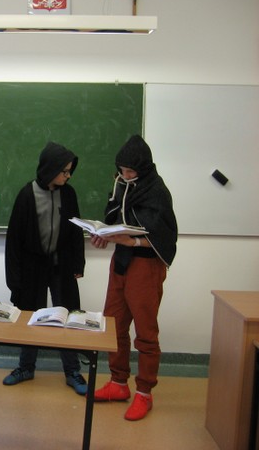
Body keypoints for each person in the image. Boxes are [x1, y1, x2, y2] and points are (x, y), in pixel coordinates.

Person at [90, 135, 177, 421]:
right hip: (121, 262)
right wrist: (104, 235)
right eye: (122, 170)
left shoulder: (157, 191)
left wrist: (134, 241)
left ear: (144, 168)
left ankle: (144, 392)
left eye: (130, 171)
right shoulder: (122, 185)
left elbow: (165, 236)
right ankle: (118, 383)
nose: (125, 176)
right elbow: (116, 218)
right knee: (114, 325)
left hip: (146, 266)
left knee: (146, 332)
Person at [2, 142, 88, 395]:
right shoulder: (27, 194)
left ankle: (72, 371)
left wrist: (78, 263)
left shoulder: (69, 194)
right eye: (64, 171)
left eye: (70, 171)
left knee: (67, 316)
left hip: (62, 266)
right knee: (30, 316)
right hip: (32, 268)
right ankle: (26, 367)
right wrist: (14, 279)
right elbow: (14, 240)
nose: (68, 176)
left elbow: (76, 231)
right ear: (51, 169)